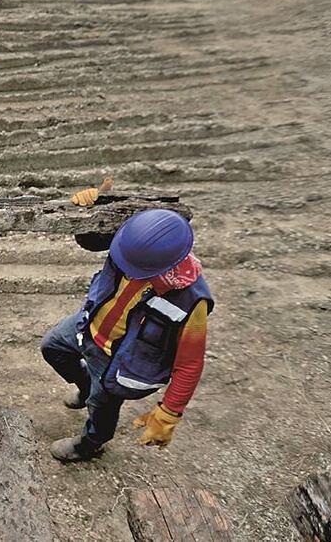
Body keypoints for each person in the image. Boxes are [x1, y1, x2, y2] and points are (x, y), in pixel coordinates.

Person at [41, 188, 213, 463]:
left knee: (102, 407)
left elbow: (190, 365)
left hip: (118, 360)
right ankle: (85, 386)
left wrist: (169, 412)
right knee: (52, 347)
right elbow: (91, 240)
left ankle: (91, 445)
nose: (125, 269)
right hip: (88, 326)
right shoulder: (134, 241)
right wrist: (87, 210)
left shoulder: (191, 301)